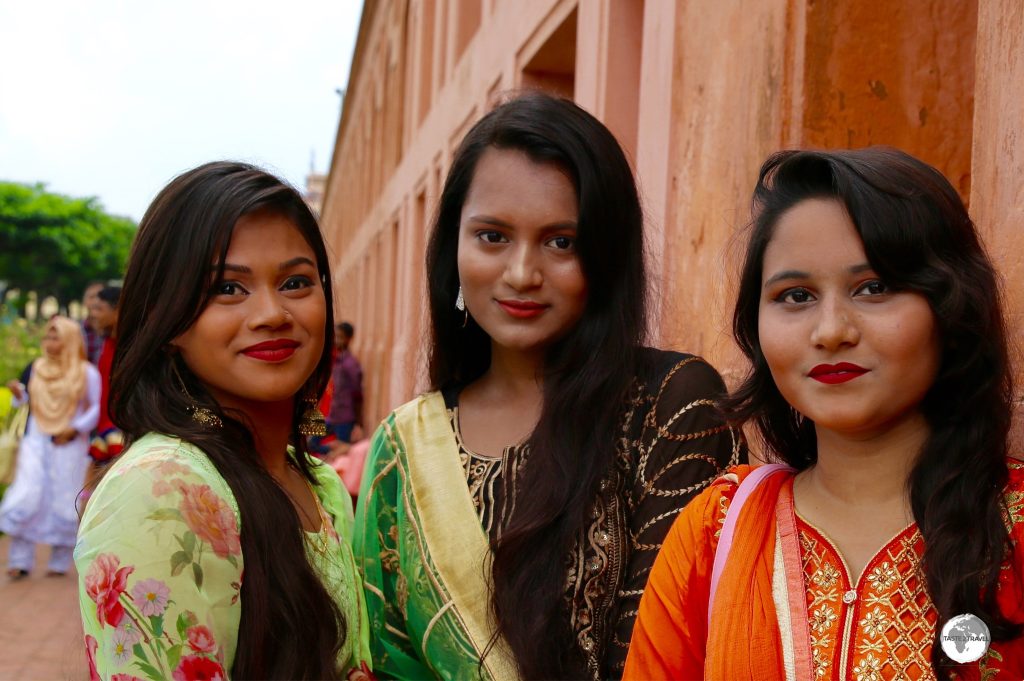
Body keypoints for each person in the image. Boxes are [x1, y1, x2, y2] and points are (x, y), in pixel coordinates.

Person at [353, 92, 743, 680]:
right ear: (453, 246)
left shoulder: (672, 405)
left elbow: (664, 652)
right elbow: (381, 661)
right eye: (492, 236)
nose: (521, 273)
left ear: (606, 258)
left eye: (562, 242)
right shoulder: (403, 451)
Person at [624, 147, 1024, 680]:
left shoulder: (1014, 530)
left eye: (874, 288)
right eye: (795, 296)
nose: (831, 330)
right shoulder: (716, 530)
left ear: (950, 305)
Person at [74, 161, 371, 680]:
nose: (273, 313)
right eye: (228, 289)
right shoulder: (162, 488)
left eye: (296, 281)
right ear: (167, 321)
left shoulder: (319, 485)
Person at [0, 316, 100, 578]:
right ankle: (19, 561)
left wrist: (75, 428)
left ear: (70, 339)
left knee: (64, 498)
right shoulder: (36, 368)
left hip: (69, 443)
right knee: (26, 495)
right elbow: (25, 404)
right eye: (48, 336)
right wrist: (18, 394)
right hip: (36, 440)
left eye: (56, 337)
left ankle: (58, 563)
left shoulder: (86, 372)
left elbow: (96, 407)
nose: (50, 342)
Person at [87, 285, 123, 463]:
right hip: (104, 432)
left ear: (117, 311)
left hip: (121, 434)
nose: (93, 314)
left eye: (99, 309)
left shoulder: (129, 348)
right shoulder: (107, 343)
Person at [327, 321, 363, 444]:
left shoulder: (350, 364)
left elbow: (357, 394)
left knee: (342, 450)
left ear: (348, 339)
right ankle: (331, 452)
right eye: (335, 336)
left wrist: (358, 422)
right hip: (333, 416)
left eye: (340, 337)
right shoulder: (337, 361)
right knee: (312, 443)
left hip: (345, 417)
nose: (336, 340)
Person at [80, 281, 106, 364]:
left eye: (101, 297)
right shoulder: (76, 330)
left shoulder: (115, 331)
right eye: (92, 297)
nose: (96, 301)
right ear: (84, 301)